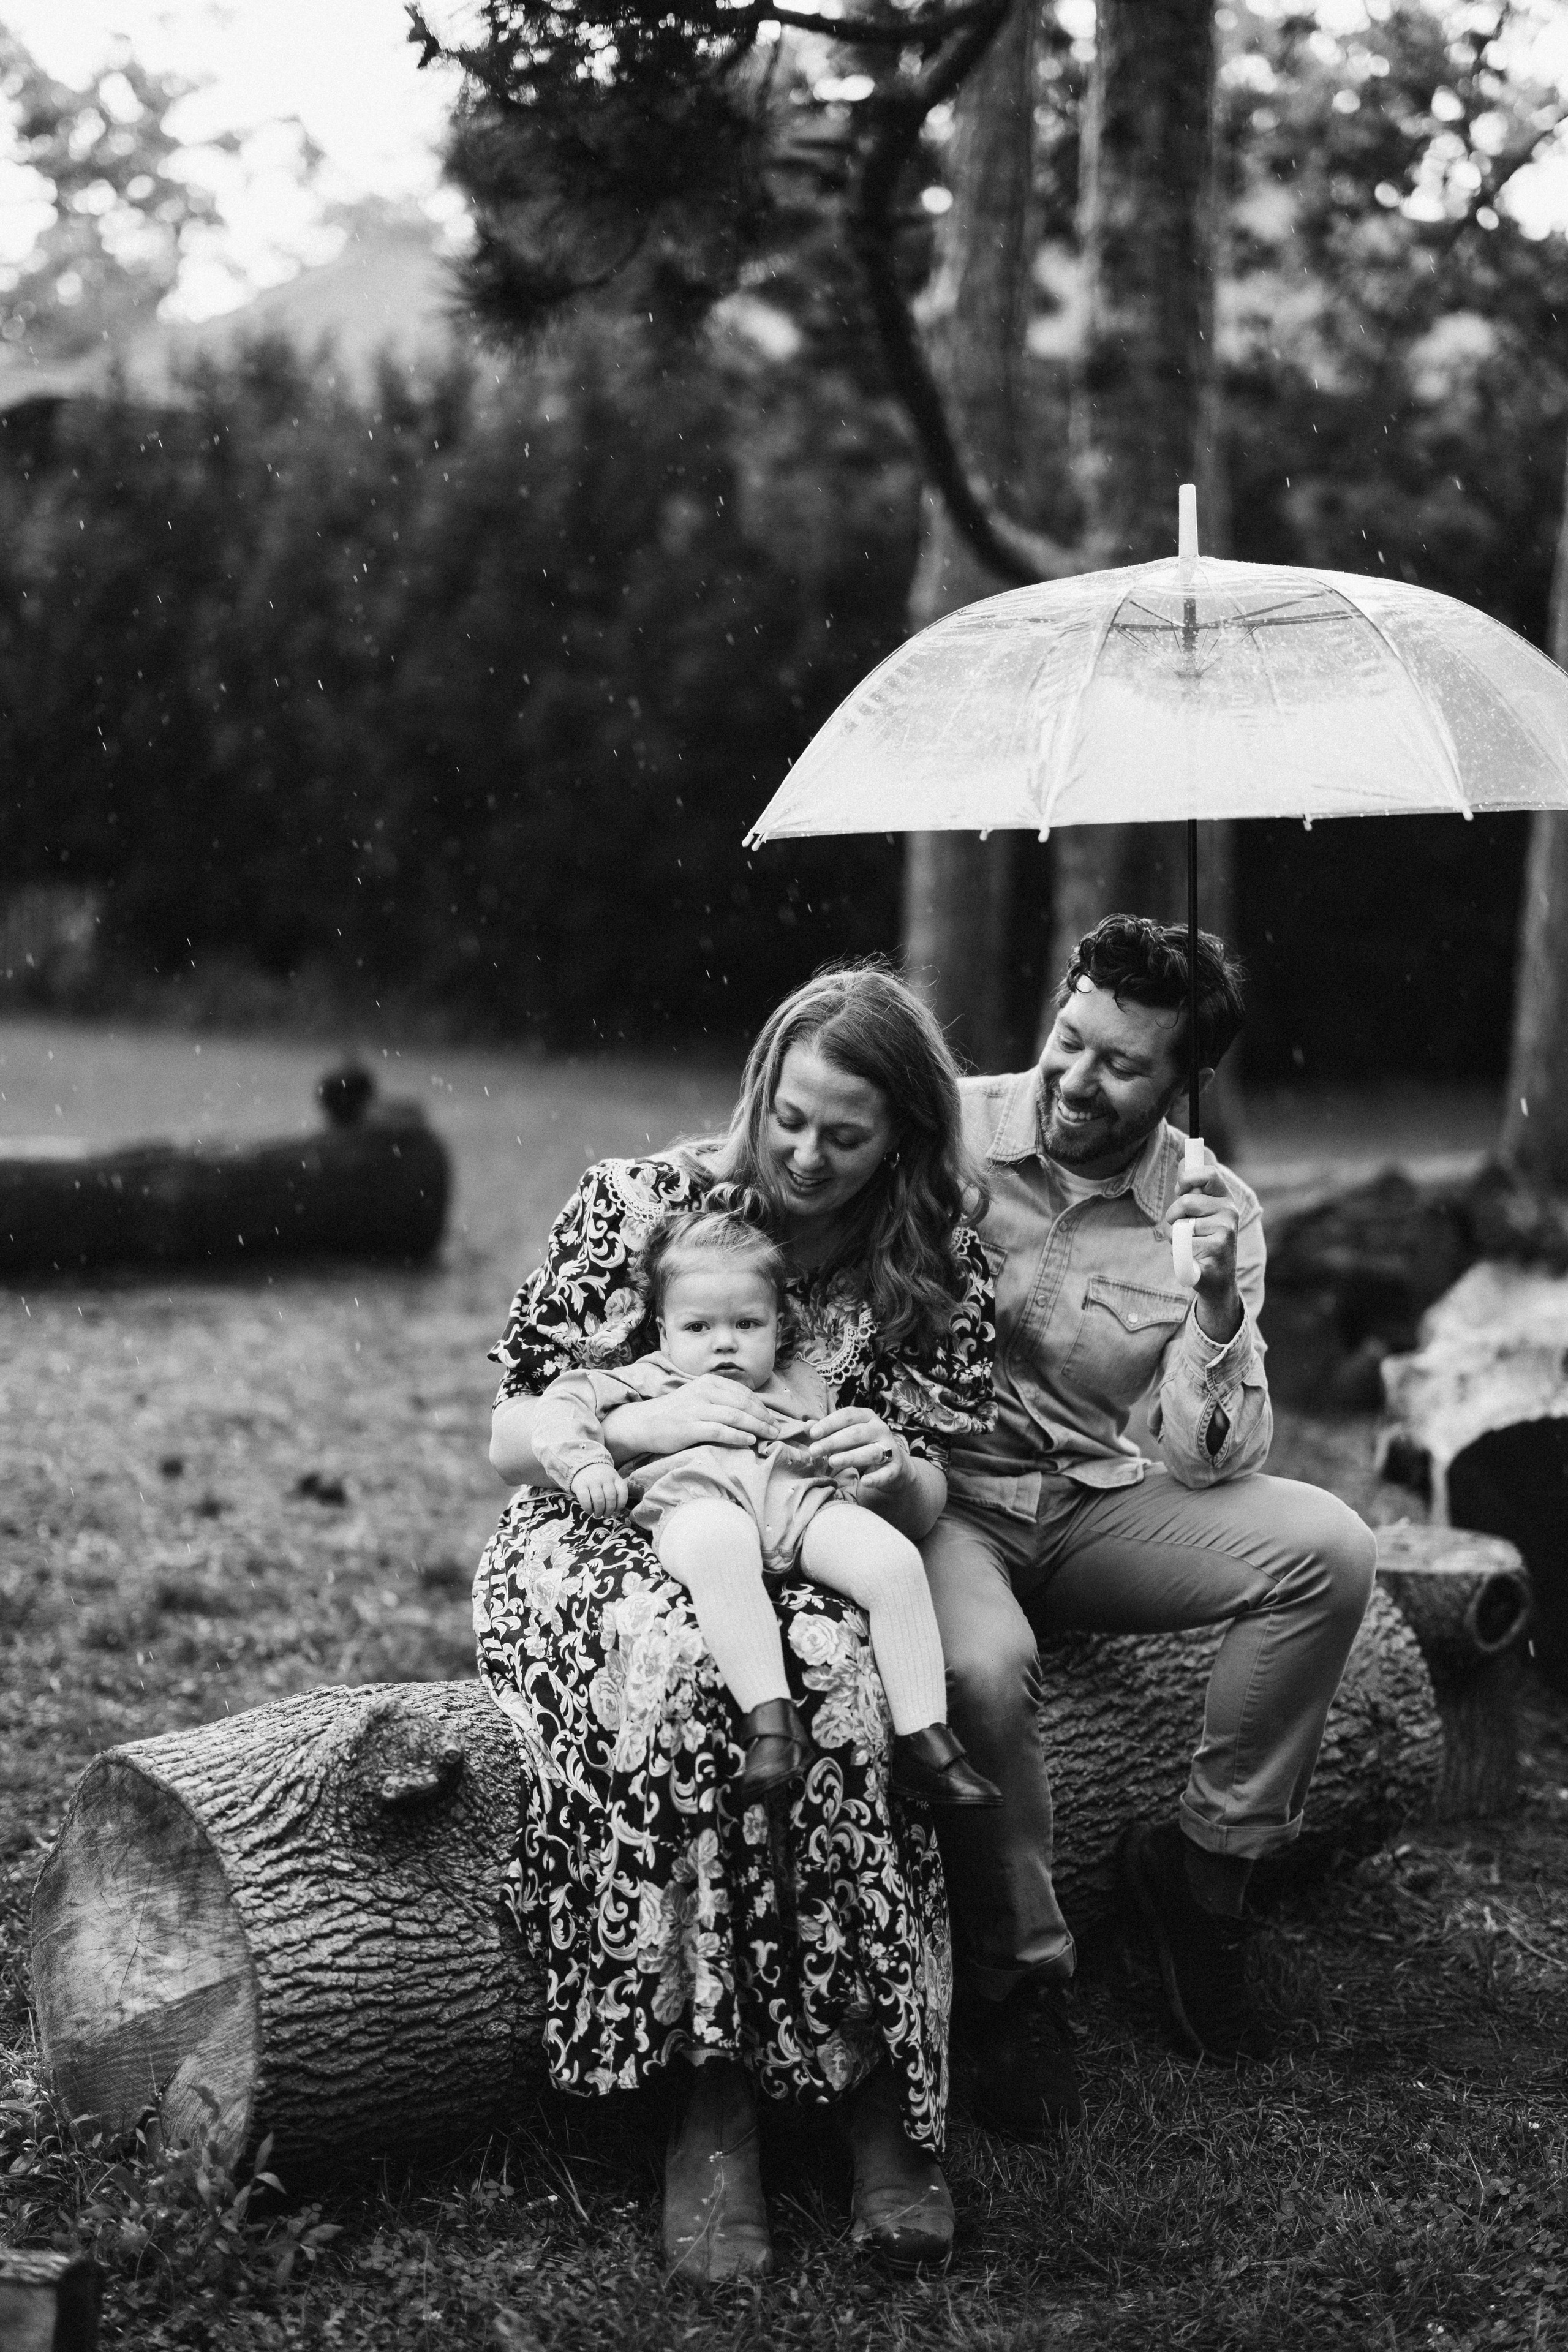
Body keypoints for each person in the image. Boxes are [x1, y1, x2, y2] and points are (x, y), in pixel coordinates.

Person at [478, 965, 996, 2282]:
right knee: (682, 1662)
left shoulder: (927, 1257)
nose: (804, 1156)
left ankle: (880, 2085)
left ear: (904, 1140)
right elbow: (510, 1427)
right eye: (788, 1117)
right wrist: (639, 1420)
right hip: (604, 1527)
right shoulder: (635, 1203)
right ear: (758, 1085)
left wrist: (893, 1463)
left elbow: (939, 1478)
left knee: (840, 1668)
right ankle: (706, 2100)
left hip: (803, 1526)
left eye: (846, 1135)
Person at [922, 914, 1378, 2139]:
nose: (1073, 1079)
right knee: (983, 1667)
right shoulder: (946, 1120)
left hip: (1083, 1502)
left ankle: (1204, 1873)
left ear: (1182, 1082)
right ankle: (1021, 1983)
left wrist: (1219, 1308)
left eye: (1119, 1066)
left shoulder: (1209, 1208)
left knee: (1327, 1550)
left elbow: (1204, 1458)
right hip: (936, 1502)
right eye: (1067, 1039)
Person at [530, 1196, 1001, 1809]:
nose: (724, 1344)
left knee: (890, 1560)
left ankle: (927, 1743)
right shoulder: (648, 1378)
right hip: (694, 1507)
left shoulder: (803, 1382)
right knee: (719, 1540)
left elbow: (835, 1461)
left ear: (778, 1325)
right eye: (699, 1328)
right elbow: (559, 1406)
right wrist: (588, 1463)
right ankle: (770, 1727)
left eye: (746, 1325)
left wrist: (868, 1480)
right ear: (663, 1330)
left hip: (802, 1509)